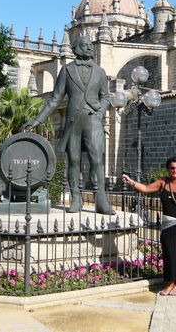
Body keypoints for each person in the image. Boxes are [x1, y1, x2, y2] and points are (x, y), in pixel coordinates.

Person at [23, 34, 114, 214]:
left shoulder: (100, 71)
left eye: (90, 45)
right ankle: (76, 198)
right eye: (85, 45)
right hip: (73, 121)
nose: (89, 47)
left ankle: (101, 200)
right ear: (77, 48)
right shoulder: (67, 70)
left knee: (97, 160)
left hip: (93, 119)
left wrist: (100, 112)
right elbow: (55, 99)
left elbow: (106, 97)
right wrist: (37, 120)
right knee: (73, 161)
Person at [122, 156, 176, 296]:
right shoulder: (163, 183)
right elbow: (145, 188)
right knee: (170, 255)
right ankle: (169, 284)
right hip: (168, 227)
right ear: (168, 169)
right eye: (172, 168)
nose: (175, 170)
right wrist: (131, 182)